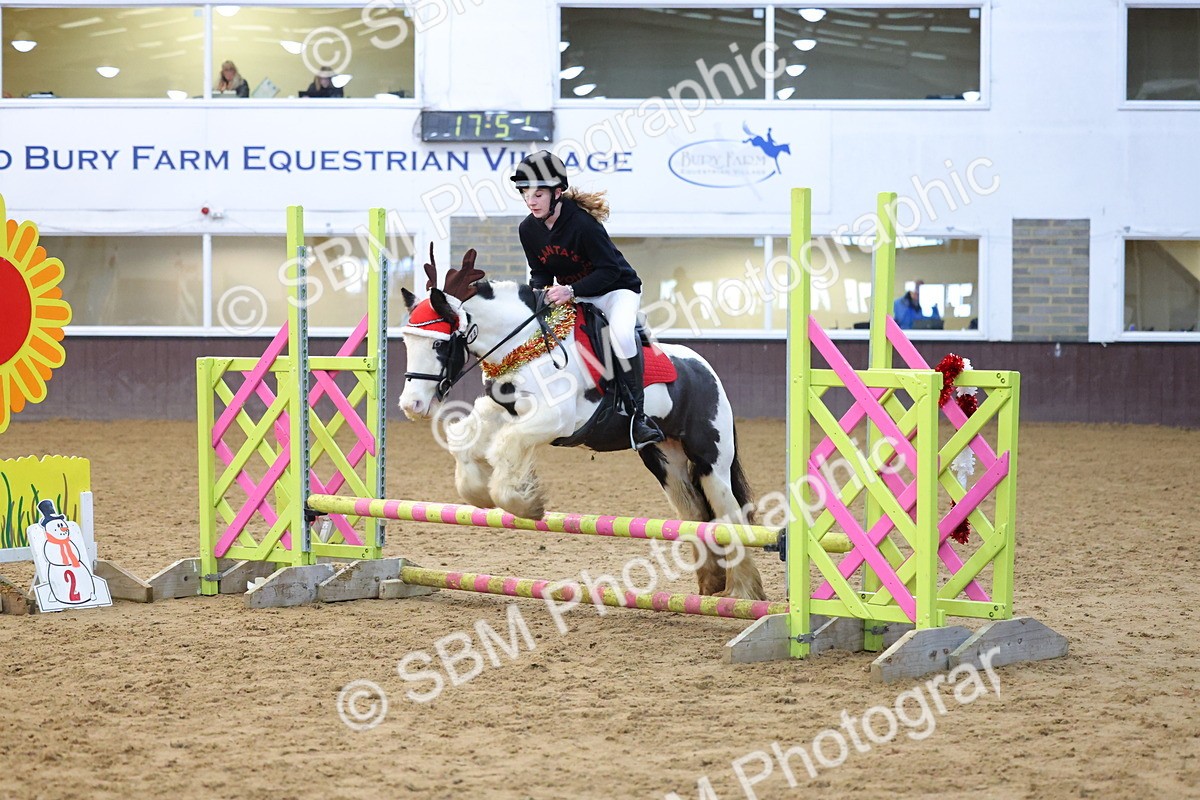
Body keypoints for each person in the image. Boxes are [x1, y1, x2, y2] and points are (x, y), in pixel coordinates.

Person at [511, 150, 664, 450]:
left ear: (558, 192)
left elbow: (609, 270)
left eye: (539, 193)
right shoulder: (528, 229)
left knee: (620, 336)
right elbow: (539, 271)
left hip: (616, 291)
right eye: (526, 193)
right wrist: (538, 297)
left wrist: (570, 291)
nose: (531, 201)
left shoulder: (582, 224)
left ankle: (638, 418)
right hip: (577, 294)